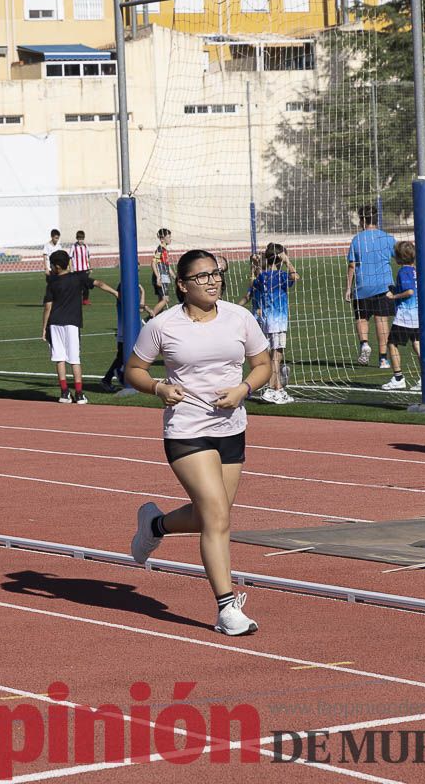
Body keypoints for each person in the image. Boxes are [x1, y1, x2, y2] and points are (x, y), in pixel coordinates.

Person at [124, 250, 270, 635]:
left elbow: (263, 364)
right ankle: (226, 608)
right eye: (202, 276)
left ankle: (155, 526)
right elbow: (134, 370)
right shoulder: (163, 325)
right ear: (183, 285)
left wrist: (244, 388)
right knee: (218, 516)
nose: (212, 281)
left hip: (231, 428)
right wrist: (158, 387)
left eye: (216, 274)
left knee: (212, 515)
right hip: (187, 430)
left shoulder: (240, 317)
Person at [43, 249, 117, 404]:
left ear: (56, 267)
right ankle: (79, 393)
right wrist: (115, 293)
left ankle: (64, 393)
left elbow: (48, 307)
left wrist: (44, 327)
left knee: (60, 358)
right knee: (74, 359)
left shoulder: (52, 282)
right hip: (72, 323)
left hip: (55, 322)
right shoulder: (78, 277)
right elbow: (99, 283)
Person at [241, 243, 299, 404]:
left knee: (269, 356)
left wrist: (254, 266)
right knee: (276, 356)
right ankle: (276, 389)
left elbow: (252, 285)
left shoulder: (262, 277)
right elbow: (295, 276)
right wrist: (288, 261)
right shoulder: (280, 276)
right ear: (280, 259)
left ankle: (272, 387)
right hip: (278, 321)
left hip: (265, 321)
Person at [346, 205, 396, 368]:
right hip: (384, 286)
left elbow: (352, 265)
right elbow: (399, 257)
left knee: (361, 318)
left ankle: (364, 344)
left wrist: (348, 288)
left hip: (362, 286)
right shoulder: (387, 238)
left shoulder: (357, 239)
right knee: (381, 322)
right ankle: (383, 358)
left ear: (362, 220)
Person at [382, 241, 421, 392]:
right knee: (417, 344)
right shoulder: (415, 270)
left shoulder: (403, 271)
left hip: (406, 315)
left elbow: (409, 291)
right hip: (418, 313)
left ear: (398, 257)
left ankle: (398, 378)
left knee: (392, 343)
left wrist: (394, 296)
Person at [147, 228, 173, 318]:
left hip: (164, 276)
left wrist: (174, 275)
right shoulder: (160, 249)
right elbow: (153, 263)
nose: (170, 239)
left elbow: (166, 264)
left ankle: (157, 319)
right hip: (161, 277)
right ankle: (149, 318)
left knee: (161, 300)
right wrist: (158, 277)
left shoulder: (165, 249)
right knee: (165, 299)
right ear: (162, 239)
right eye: (168, 237)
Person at [71, 230, 92, 305]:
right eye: (79, 239)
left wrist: (90, 268)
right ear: (77, 238)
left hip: (85, 269)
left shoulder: (86, 246)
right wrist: (71, 268)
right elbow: (70, 257)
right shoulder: (73, 246)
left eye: (82, 239)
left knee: (86, 285)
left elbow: (88, 257)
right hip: (77, 270)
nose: (80, 241)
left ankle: (85, 300)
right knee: (77, 286)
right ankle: (76, 300)